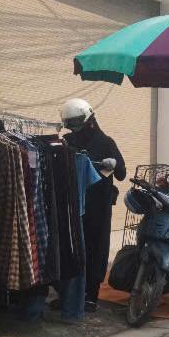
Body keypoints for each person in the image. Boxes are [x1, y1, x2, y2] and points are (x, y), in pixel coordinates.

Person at [60, 98, 126, 311]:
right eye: (71, 126)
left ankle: (91, 294)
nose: (74, 130)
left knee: (95, 248)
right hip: (72, 204)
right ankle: (68, 294)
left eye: (77, 124)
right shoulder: (67, 141)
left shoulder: (106, 143)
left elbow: (122, 173)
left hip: (98, 207)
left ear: (89, 120)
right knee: (71, 248)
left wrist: (113, 164)